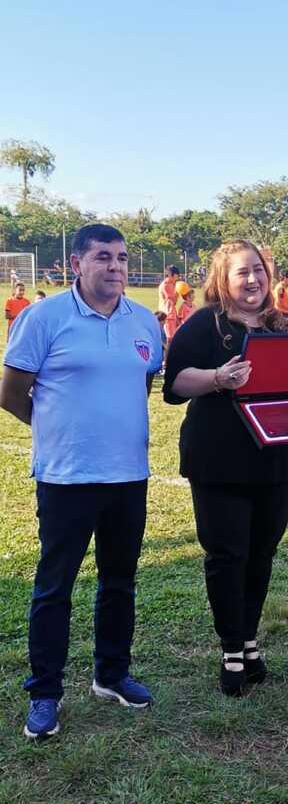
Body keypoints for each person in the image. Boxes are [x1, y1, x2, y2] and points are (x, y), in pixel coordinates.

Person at [0, 224, 163, 739]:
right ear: (76, 264)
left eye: (121, 258)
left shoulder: (144, 323)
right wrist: (58, 428)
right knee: (54, 588)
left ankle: (111, 675)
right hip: (67, 477)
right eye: (102, 258)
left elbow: (144, 382)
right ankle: (45, 692)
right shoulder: (43, 317)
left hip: (128, 476)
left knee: (120, 582)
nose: (115, 267)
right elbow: (10, 393)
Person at [163, 239, 288, 697]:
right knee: (227, 554)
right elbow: (175, 381)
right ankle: (230, 647)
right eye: (242, 272)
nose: (253, 280)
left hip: (274, 456)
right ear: (223, 279)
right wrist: (216, 379)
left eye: (259, 271)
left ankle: (249, 640)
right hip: (219, 458)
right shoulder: (203, 325)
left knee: (262, 551)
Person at [158, 265, 181, 347]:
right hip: (168, 314)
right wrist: (178, 292)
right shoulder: (166, 285)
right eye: (177, 275)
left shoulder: (171, 284)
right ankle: (168, 357)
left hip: (170, 313)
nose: (178, 277)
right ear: (172, 274)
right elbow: (172, 300)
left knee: (172, 337)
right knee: (170, 339)